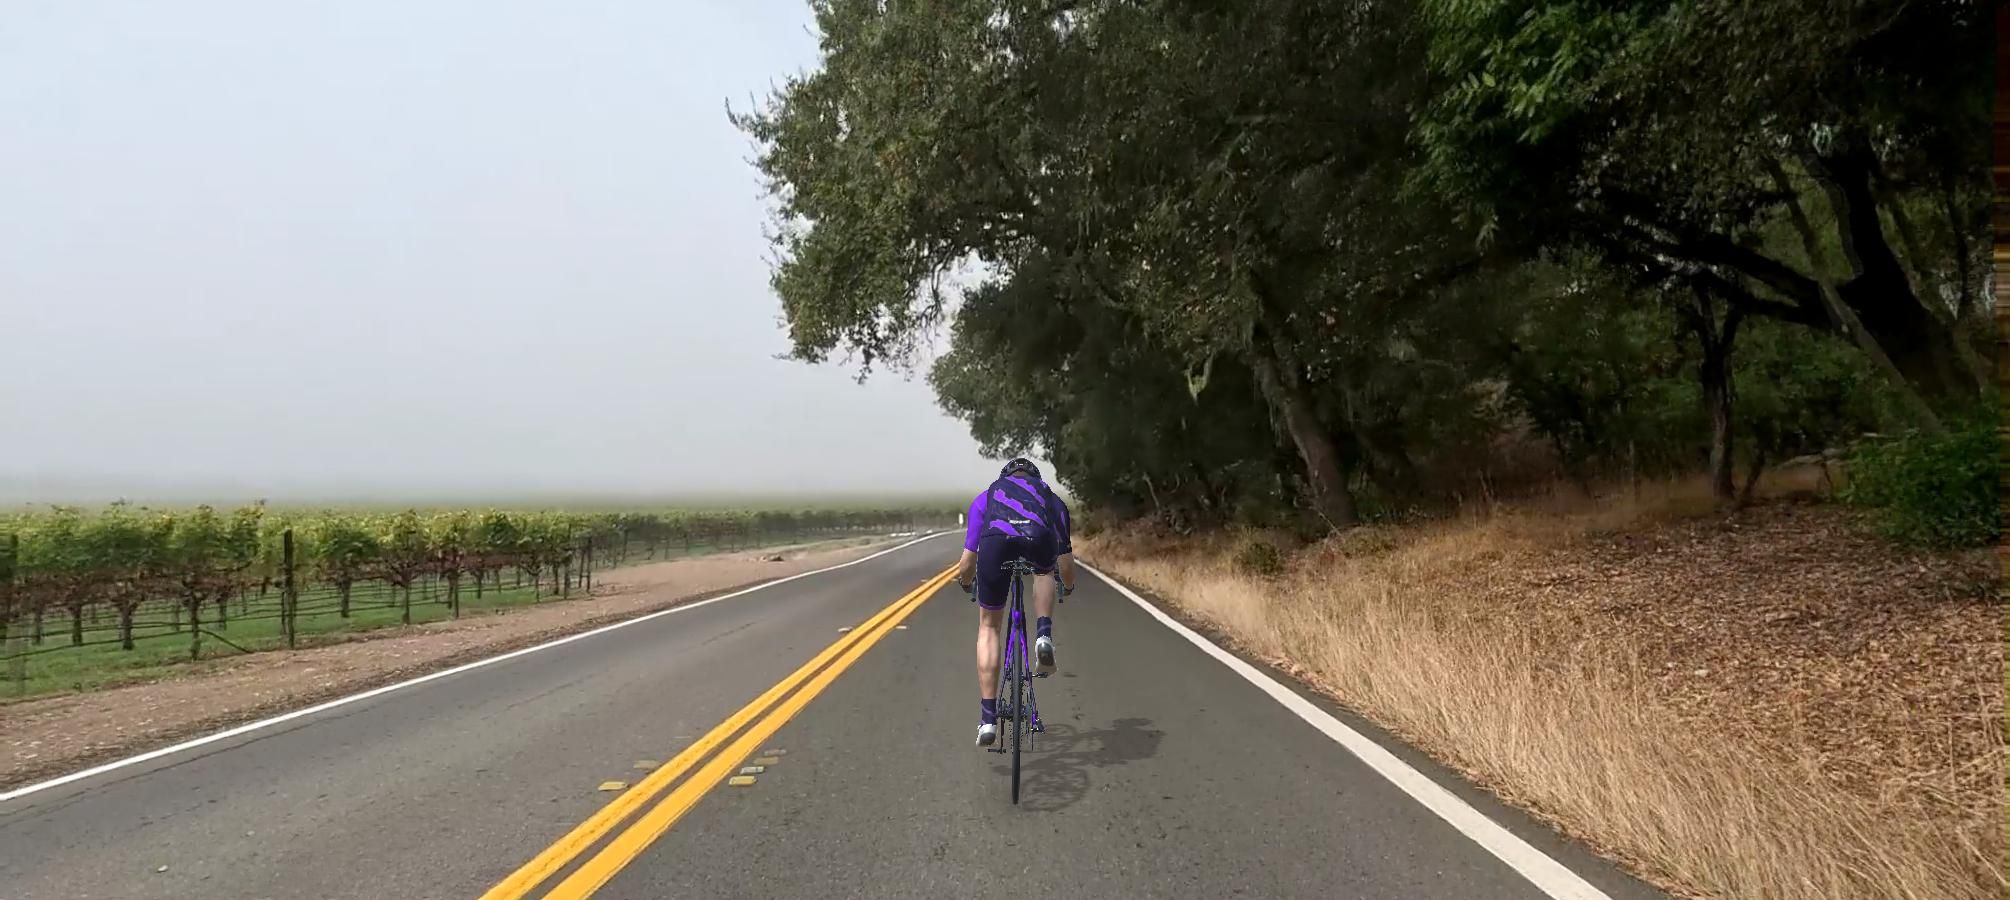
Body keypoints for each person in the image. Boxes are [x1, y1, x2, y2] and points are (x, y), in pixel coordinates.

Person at [956, 457, 1076, 748]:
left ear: (1005, 478)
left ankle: (988, 720)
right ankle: (1043, 636)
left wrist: (966, 582)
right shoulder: (1049, 497)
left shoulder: (987, 497)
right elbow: (1066, 561)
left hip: (995, 545)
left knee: (989, 627)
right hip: (1038, 539)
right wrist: (1068, 585)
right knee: (1044, 572)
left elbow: (968, 560)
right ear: (1034, 478)